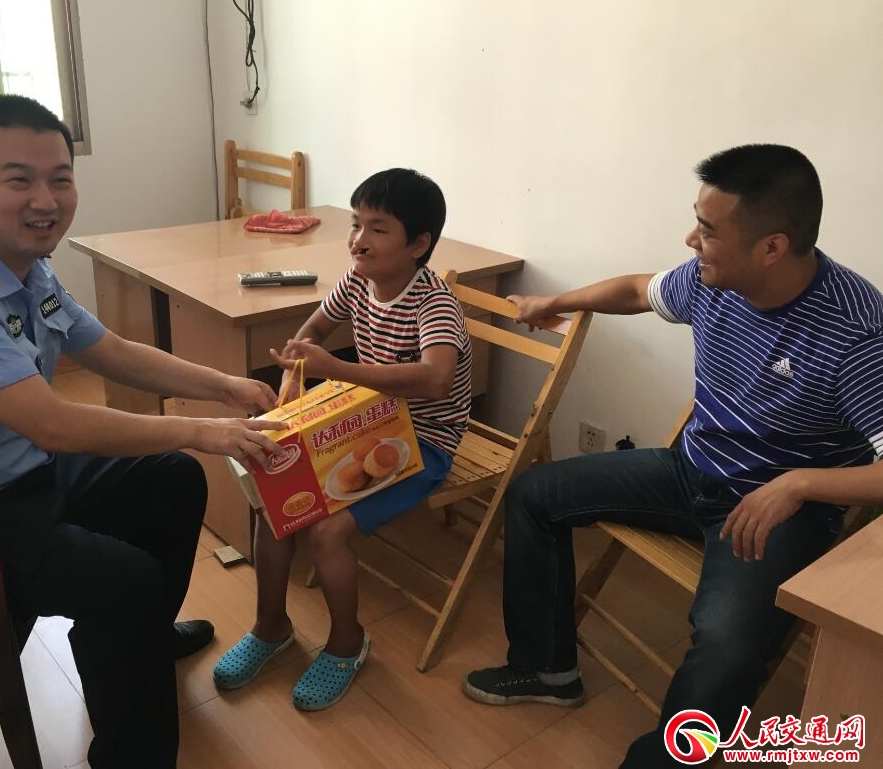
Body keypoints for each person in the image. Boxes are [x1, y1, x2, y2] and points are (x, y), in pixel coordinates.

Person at [0, 94, 288, 769]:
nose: (46, 200)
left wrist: (223, 386)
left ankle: (136, 643)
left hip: (16, 475)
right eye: (19, 179)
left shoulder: (23, 266)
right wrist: (201, 429)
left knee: (171, 480)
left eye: (60, 178)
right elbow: (51, 423)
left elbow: (107, 348)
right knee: (127, 579)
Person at [462, 144, 883, 767]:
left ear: (772, 246)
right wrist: (558, 301)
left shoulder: (856, 329)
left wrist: (797, 484)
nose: (691, 241)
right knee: (534, 494)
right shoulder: (715, 282)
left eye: (707, 231)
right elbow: (638, 289)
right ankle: (546, 670)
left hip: (779, 512)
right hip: (691, 470)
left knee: (726, 642)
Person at [211, 168, 473, 710]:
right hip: (367, 419)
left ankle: (348, 642)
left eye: (378, 228)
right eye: (356, 223)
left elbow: (435, 379)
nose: (358, 239)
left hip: (424, 439)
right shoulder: (356, 281)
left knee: (327, 531)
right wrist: (296, 359)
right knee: (273, 499)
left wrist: (337, 369)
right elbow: (313, 331)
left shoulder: (434, 303)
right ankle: (270, 626)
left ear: (418, 244)